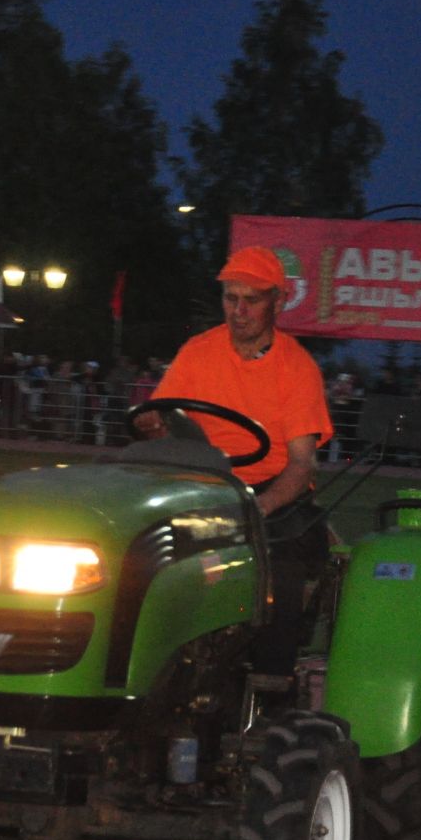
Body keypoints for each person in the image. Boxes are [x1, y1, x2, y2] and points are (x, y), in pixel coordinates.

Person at [149, 245, 334, 675]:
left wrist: (258, 506)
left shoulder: (297, 368)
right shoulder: (198, 352)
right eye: (231, 299)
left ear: (278, 302)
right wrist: (153, 428)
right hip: (201, 484)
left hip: (270, 497)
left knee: (280, 577)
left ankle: (272, 683)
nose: (239, 310)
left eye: (251, 300)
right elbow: (160, 415)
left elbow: (302, 463)